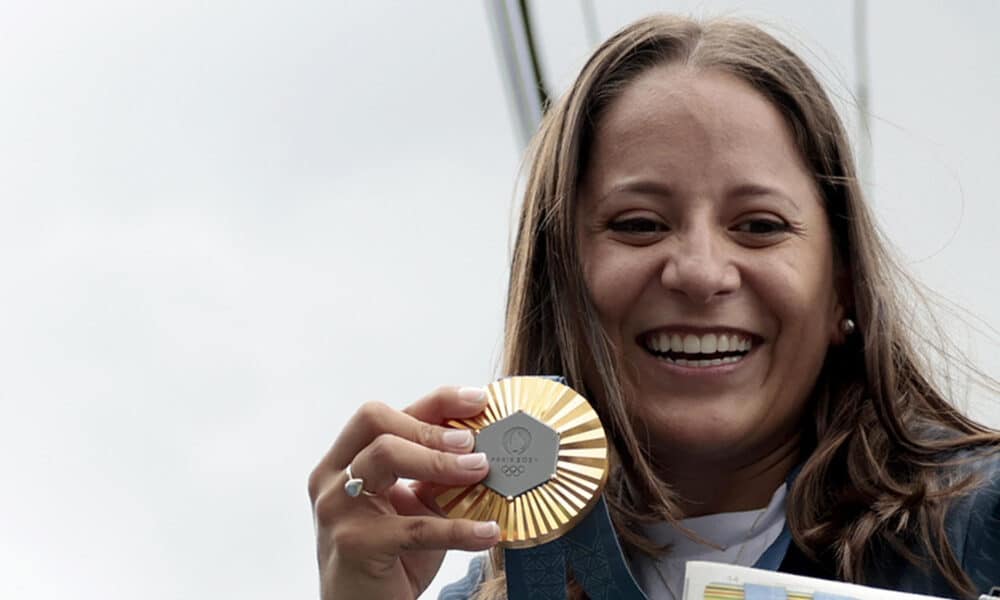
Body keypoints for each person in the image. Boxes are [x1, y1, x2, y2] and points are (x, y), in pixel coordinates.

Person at [308, 14, 1000, 600]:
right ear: (561, 282)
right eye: (638, 223)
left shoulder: (983, 530)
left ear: (844, 285)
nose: (700, 273)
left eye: (760, 225)